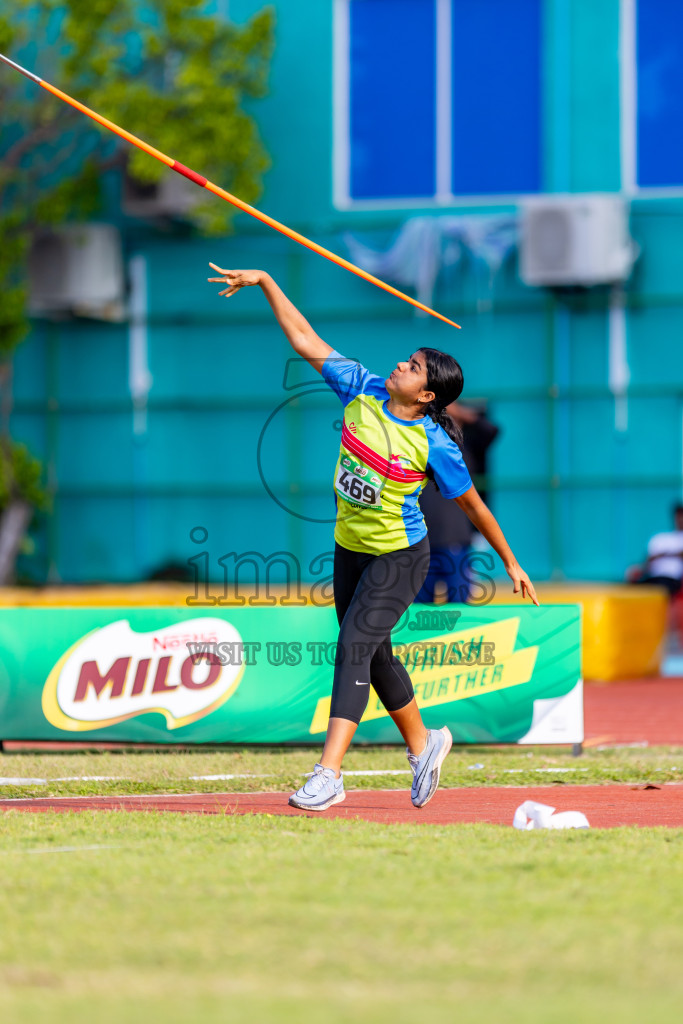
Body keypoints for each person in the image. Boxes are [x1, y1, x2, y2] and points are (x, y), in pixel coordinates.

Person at [208, 264, 538, 812]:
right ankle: (424, 743)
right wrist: (268, 280)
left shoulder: (435, 444)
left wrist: (511, 562)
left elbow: (474, 506)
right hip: (350, 550)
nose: (399, 365)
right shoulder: (359, 389)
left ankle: (329, 774)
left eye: (411, 367)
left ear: (427, 393)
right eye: (405, 359)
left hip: (400, 556)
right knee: (376, 655)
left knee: (354, 646)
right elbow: (304, 337)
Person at [416, 402, 499, 604]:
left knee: (461, 608)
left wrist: (457, 410)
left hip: (455, 541)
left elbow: (490, 431)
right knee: (419, 612)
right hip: (419, 542)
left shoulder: (465, 447)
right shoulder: (420, 443)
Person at [629, 503, 683, 597]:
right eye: (678, 516)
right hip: (654, 578)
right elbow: (647, 563)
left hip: (672, 581)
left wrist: (663, 555)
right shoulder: (660, 538)